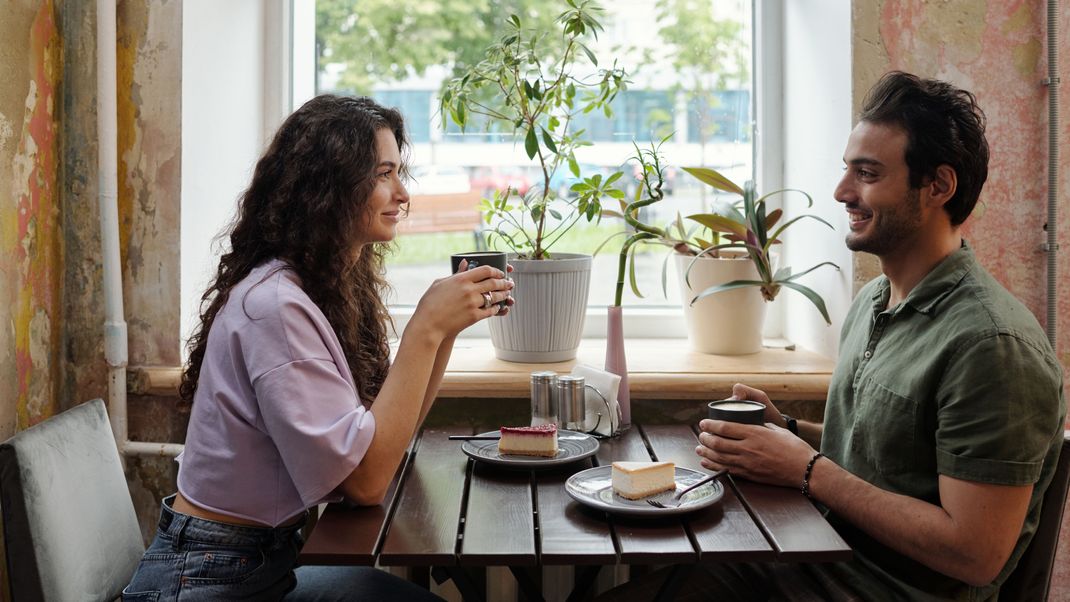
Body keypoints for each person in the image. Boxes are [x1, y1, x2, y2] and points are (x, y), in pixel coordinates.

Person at [611, 72, 1066, 600]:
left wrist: (806, 470)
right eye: (847, 170)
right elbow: (890, 459)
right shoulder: (876, 301)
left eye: (868, 174)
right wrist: (786, 430)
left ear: (939, 186)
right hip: (818, 560)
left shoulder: (992, 347)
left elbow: (975, 552)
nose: (842, 192)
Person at [123, 95, 513, 601]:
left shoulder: (318, 287)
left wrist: (444, 332)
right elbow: (366, 482)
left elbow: (381, 444)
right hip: (209, 578)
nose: (402, 193)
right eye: (382, 174)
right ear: (328, 186)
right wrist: (425, 329)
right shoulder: (276, 308)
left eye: (400, 173)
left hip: (251, 563)